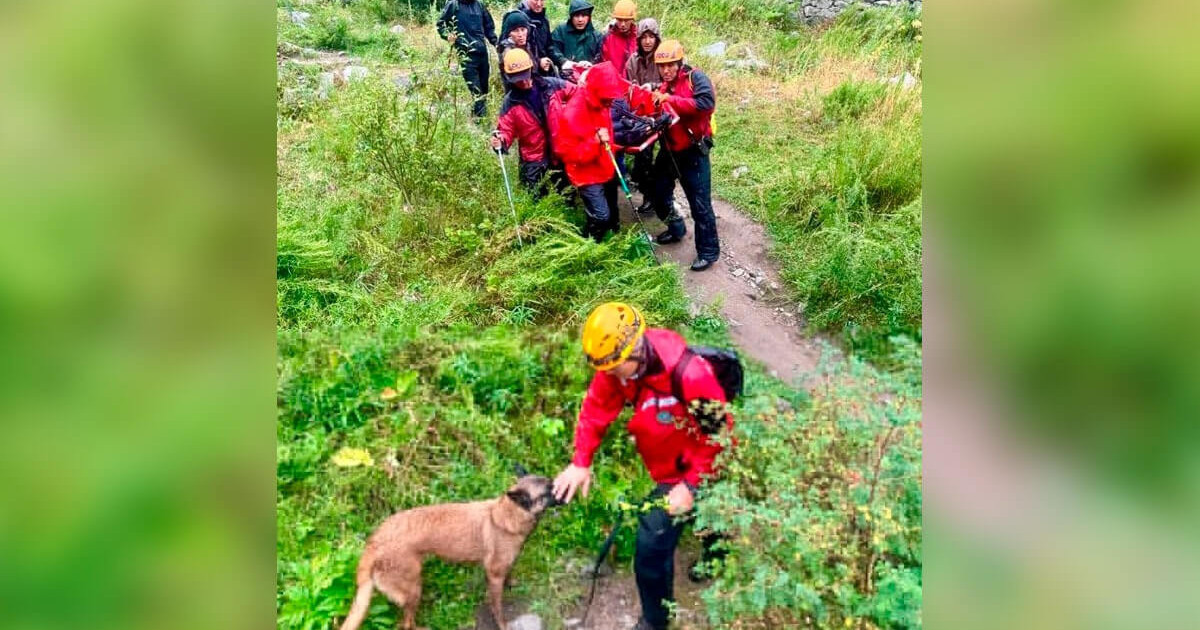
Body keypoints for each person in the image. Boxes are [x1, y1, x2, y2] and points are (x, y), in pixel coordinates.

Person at [553, 302, 733, 630]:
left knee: (651, 548)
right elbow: (596, 410)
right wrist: (581, 462)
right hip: (667, 463)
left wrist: (691, 484)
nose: (606, 374)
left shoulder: (689, 375)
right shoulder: (619, 370)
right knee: (703, 514)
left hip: (697, 464)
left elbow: (720, 434)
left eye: (612, 367)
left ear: (636, 351)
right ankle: (714, 547)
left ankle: (655, 620)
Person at [649, 40, 721, 271]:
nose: (666, 70)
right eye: (662, 66)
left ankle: (708, 252)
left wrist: (672, 100)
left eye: (670, 65)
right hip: (670, 150)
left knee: (700, 204)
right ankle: (676, 227)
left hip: (693, 152)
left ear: (680, 63)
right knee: (658, 193)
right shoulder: (662, 87)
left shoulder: (695, 79)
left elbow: (705, 104)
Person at [549, 61, 626, 241]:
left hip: (604, 165)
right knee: (600, 217)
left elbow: (607, 133)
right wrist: (595, 142)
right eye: (608, 97)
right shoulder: (572, 114)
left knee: (613, 215)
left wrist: (615, 147)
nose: (611, 101)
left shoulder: (602, 102)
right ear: (598, 91)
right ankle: (589, 245)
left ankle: (611, 243)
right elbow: (568, 155)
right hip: (586, 173)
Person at [491, 49, 571, 198]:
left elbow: (578, 93)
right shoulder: (510, 102)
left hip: (560, 151)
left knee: (567, 197)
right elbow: (505, 130)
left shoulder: (552, 85)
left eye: (525, 75)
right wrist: (500, 141)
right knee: (535, 199)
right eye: (518, 78)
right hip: (533, 158)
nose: (524, 81)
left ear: (531, 68)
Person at [623, 18, 670, 215]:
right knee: (643, 158)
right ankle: (649, 194)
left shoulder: (663, 60)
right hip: (641, 116)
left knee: (664, 161)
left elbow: (670, 83)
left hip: (663, 113)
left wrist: (653, 87)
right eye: (644, 37)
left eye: (651, 37)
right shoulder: (633, 61)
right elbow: (625, 86)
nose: (648, 41)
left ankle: (660, 199)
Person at [436, 0, 498, 120]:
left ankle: (475, 115)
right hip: (466, 55)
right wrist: (447, 34)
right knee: (476, 90)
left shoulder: (479, 5)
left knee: (484, 89)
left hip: (482, 53)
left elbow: (489, 27)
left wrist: (496, 42)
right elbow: (441, 24)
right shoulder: (453, 5)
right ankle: (482, 122)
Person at [497, 10, 554, 87]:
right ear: (509, 33)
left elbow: (531, 63)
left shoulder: (529, 43)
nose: (520, 34)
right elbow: (519, 78)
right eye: (515, 31)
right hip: (519, 89)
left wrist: (539, 62)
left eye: (523, 29)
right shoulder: (508, 52)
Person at [550, 0, 603, 81]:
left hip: (589, 79)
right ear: (571, 17)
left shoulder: (597, 36)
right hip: (565, 79)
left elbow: (602, 55)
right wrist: (563, 61)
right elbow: (552, 48)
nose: (580, 20)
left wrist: (592, 64)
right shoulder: (560, 31)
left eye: (584, 15)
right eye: (577, 16)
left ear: (589, 17)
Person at [599, 0, 639, 75]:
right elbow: (603, 63)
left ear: (632, 20)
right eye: (620, 20)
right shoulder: (608, 38)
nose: (623, 24)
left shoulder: (639, 38)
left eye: (626, 20)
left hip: (634, 82)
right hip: (613, 82)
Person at [513, 0, 553, 70]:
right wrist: (538, 62)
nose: (539, 4)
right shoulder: (516, 19)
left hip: (543, 70)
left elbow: (549, 45)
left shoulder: (544, 19)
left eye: (542, 0)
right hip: (523, 73)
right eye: (535, 0)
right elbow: (513, 52)